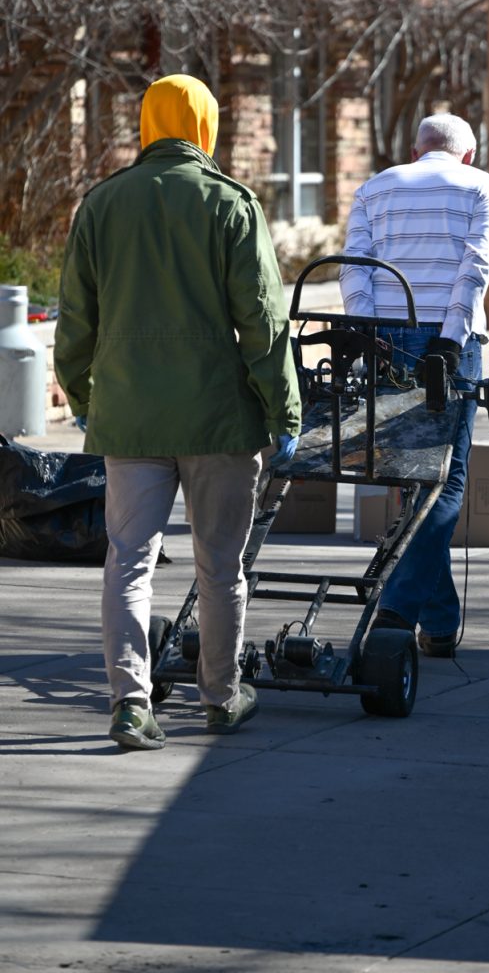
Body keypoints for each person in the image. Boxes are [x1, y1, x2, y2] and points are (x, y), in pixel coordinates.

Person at [55, 73, 302, 751]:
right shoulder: (231, 205)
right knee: (220, 567)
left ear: (147, 122)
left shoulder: (101, 206)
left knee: (128, 561)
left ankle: (130, 704)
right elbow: (263, 323)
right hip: (219, 421)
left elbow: (76, 319)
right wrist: (285, 412)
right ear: (206, 127)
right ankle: (221, 697)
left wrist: (83, 398)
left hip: (131, 416)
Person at [339, 112, 489, 657]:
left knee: (403, 474)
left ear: (417, 151)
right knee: (444, 479)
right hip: (446, 340)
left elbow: (353, 267)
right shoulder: (486, 187)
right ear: (469, 153)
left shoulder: (374, 187)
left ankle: (439, 621)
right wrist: (451, 338)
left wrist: (367, 332)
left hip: (385, 335)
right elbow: (476, 263)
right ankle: (400, 609)